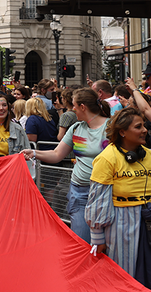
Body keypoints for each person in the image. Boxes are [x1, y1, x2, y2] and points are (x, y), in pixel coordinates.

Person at [22, 88, 110, 242]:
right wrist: (34, 153)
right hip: (79, 193)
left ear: (83, 107)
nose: (72, 109)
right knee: (82, 241)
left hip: (106, 192)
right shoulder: (76, 128)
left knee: (106, 243)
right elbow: (57, 154)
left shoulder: (110, 128)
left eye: (75, 106)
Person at [85, 107, 151, 285]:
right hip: (122, 221)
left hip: (148, 217)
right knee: (124, 275)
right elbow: (97, 200)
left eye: (144, 126)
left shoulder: (148, 155)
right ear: (122, 132)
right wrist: (97, 238)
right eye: (138, 127)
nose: (144, 130)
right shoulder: (106, 158)